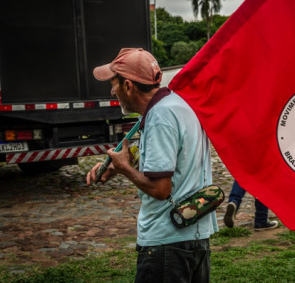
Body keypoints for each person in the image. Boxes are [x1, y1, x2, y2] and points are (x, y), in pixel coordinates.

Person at [86, 47, 218, 283]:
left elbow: (161, 189)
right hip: (195, 237)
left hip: (167, 243)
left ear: (128, 86)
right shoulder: (178, 104)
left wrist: (125, 169)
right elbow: (175, 160)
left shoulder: (159, 117)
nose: (111, 90)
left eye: (114, 83)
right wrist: (116, 167)